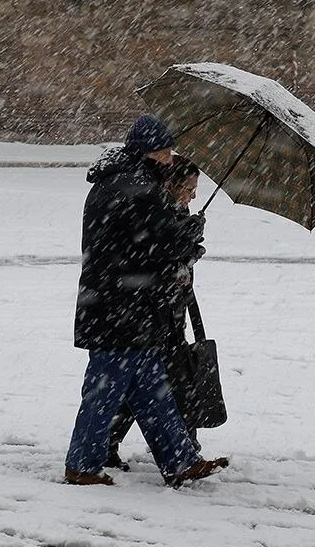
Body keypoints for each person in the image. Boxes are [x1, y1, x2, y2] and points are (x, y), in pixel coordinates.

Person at [64, 115, 227, 488]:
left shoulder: (118, 182)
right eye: (163, 153)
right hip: (122, 309)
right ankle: (82, 465)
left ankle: (180, 460)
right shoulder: (137, 188)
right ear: (145, 153)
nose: (169, 159)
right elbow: (154, 248)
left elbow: (138, 243)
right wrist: (188, 236)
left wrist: (180, 236)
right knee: (104, 390)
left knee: (153, 389)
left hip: (119, 305)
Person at [105, 155, 203, 471]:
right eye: (188, 189)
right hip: (152, 310)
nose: (193, 196)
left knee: (169, 378)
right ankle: (183, 449)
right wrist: (181, 251)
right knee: (155, 381)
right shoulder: (155, 211)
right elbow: (154, 257)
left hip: (173, 310)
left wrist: (191, 247)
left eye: (195, 190)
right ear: (171, 184)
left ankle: (185, 446)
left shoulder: (178, 212)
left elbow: (176, 256)